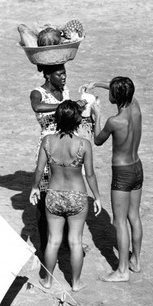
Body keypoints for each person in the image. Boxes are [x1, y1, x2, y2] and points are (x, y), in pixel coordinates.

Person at [29, 100, 102, 292]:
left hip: (53, 194)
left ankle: (47, 281)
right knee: (75, 241)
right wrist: (97, 197)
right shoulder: (83, 144)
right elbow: (91, 174)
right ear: (78, 120)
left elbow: (39, 169)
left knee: (53, 240)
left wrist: (35, 188)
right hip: (77, 195)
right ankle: (76, 283)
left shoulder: (48, 141)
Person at [86, 76, 143, 282]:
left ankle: (122, 271)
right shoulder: (135, 107)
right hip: (137, 167)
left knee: (119, 222)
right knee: (134, 217)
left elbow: (98, 139)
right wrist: (96, 83)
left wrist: (96, 115)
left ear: (115, 96)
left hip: (122, 172)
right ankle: (135, 261)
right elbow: (119, 86)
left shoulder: (114, 121)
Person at [30, 64, 70, 253]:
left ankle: (68, 242)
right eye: (59, 74)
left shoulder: (65, 91)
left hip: (67, 148)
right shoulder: (37, 93)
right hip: (47, 149)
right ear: (47, 75)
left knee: (68, 195)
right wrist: (64, 106)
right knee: (45, 198)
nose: (64, 77)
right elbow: (37, 107)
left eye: (64, 73)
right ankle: (44, 246)